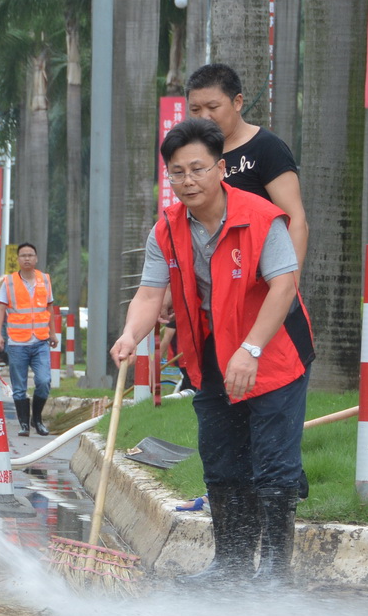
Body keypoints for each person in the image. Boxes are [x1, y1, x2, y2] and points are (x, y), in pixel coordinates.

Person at [113, 117, 314, 587]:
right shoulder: (166, 228)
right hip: (212, 354)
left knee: (274, 463)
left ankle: (276, 574)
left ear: (221, 169)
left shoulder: (261, 217)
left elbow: (284, 287)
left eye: (198, 169)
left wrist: (251, 349)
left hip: (274, 351)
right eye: (178, 172)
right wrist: (129, 335)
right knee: (221, 460)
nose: (188, 181)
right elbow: (149, 293)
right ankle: (232, 566)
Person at [184, 62, 309, 259]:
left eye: (213, 107)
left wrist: (288, 277)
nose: (204, 117)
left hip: (260, 267)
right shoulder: (189, 153)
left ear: (237, 102)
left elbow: (296, 221)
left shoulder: (266, 147)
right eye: (195, 109)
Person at [0, 241, 61, 437]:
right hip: (17, 342)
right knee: (19, 387)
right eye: (23, 255)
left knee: (44, 381)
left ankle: (37, 419)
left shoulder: (45, 279)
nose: (27, 258)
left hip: (40, 340)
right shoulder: (9, 282)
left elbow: (49, 308)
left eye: (30, 255)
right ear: (18, 259)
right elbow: (0, 308)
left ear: (36, 258)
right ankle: (24, 424)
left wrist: (52, 333)